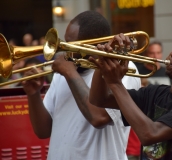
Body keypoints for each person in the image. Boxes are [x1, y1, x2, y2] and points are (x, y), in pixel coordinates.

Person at [89, 27, 172, 160]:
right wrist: (103, 62)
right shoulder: (155, 92)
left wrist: (115, 83)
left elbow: (149, 134)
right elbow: (99, 100)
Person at [22, 11, 141, 160]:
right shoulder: (66, 70)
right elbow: (43, 131)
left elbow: (99, 118)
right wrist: (33, 94)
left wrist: (70, 73)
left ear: (96, 45)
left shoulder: (122, 68)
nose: (64, 51)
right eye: (65, 43)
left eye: (72, 46)